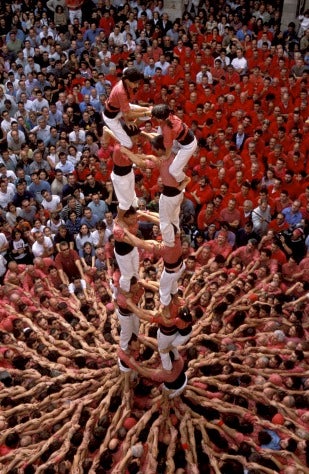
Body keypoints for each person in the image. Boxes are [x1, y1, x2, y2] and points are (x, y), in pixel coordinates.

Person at [147, 103, 198, 186]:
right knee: (158, 139)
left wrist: (165, 156)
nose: (154, 119)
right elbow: (150, 110)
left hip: (188, 146)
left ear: (160, 119)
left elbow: (168, 147)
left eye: (155, 118)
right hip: (179, 139)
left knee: (173, 170)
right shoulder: (167, 113)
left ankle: (185, 179)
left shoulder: (168, 129)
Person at [102, 67, 152, 148]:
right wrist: (145, 113)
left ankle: (131, 128)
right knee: (128, 145)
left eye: (138, 82)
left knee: (148, 114)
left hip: (123, 107)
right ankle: (108, 131)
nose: (137, 85)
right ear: (127, 80)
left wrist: (146, 113)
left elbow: (126, 112)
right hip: (111, 117)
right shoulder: (120, 91)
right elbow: (128, 114)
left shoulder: (129, 80)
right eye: (135, 83)